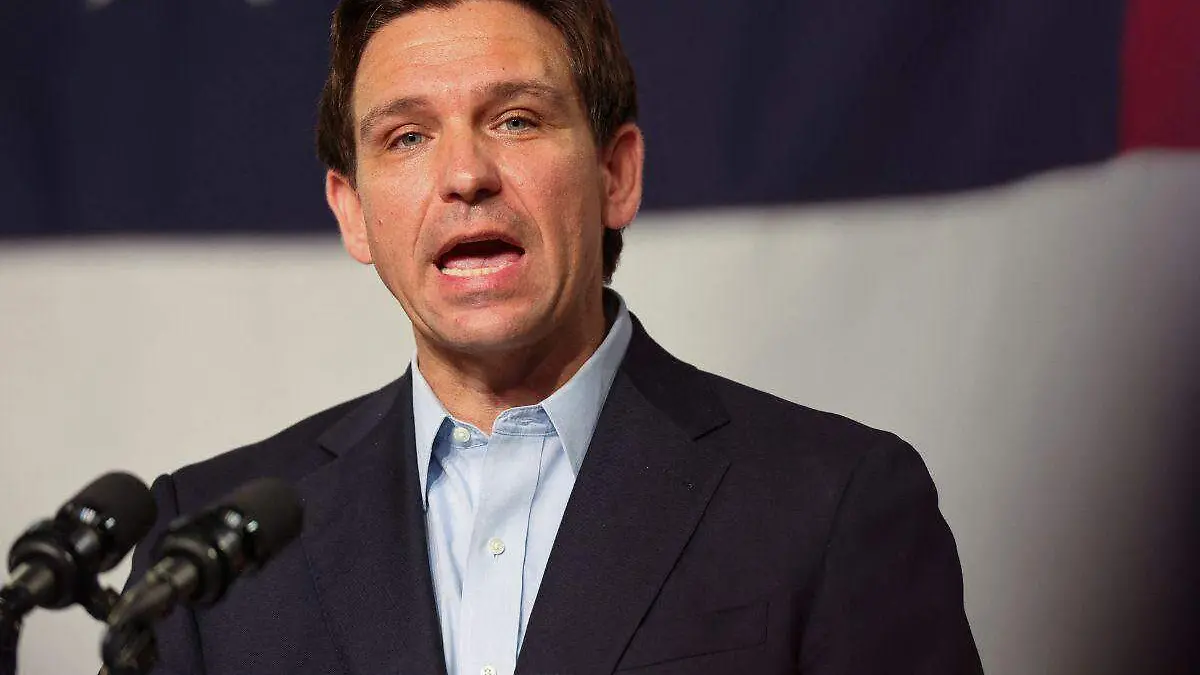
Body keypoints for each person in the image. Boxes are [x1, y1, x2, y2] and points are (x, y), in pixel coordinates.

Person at [125, 1, 983, 673]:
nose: (466, 175)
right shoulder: (204, 545)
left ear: (616, 175)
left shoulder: (833, 503)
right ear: (353, 213)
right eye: (408, 136)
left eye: (516, 120)